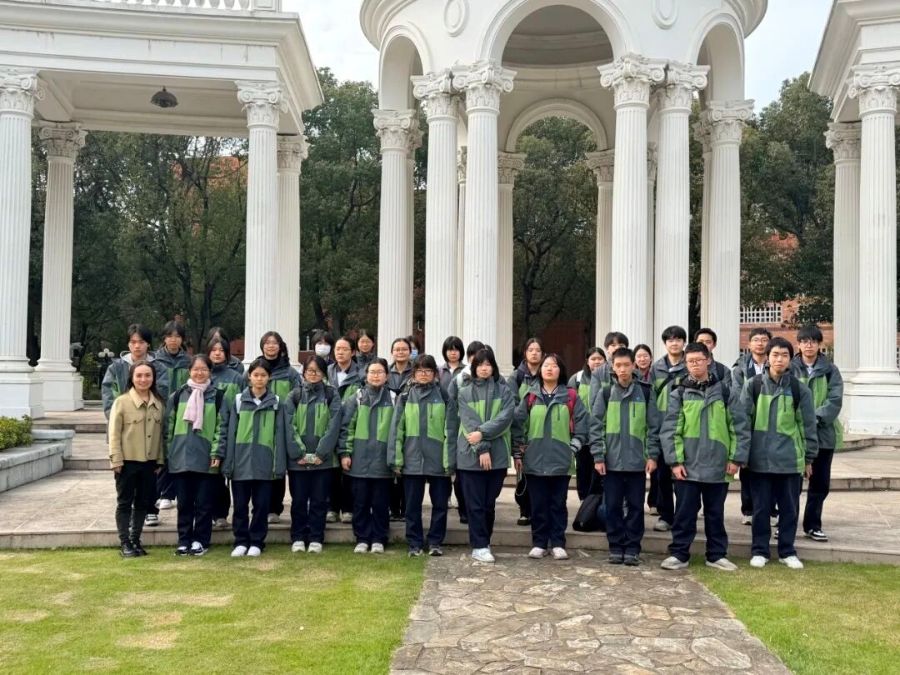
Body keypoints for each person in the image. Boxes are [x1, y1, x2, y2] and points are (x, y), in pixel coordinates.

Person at [659, 343, 744, 572]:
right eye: (690, 361)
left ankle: (716, 555)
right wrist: (675, 462)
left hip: (718, 465)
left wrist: (735, 458)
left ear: (708, 360)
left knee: (715, 514)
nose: (695, 365)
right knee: (684, 513)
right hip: (688, 466)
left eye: (698, 360)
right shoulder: (679, 393)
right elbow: (670, 430)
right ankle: (679, 553)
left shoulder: (726, 392)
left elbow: (739, 427)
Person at [739, 337, 818, 570]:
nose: (779, 359)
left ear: (790, 359)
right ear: (767, 357)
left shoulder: (799, 389)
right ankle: (759, 550)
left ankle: (787, 551)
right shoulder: (753, 385)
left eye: (784, 355)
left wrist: (808, 458)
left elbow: (807, 426)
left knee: (789, 509)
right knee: (761, 509)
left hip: (789, 460)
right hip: (759, 459)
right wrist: (742, 455)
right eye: (775, 354)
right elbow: (743, 423)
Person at [515, 354, 588, 561]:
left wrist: (572, 448)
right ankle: (539, 542)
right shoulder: (530, 396)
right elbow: (518, 425)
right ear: (540, 370)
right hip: (534, 459)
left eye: (554, 366)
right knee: (538, 504)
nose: (549, 369)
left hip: (560, 460)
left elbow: (582, 426)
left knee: (558, 503)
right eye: (546, 365)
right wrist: (519, 451)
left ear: (560, 371)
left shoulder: (571, 396)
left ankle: (557, 542)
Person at [591, 348, 660, 566]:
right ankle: (615, 545)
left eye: (626, 365)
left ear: (633, 366)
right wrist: (598, 456)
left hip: (637, 462)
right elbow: (596, 426)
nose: (622, 369)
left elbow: (653, 427)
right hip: (611, 462)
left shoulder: (646, 392)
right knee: (612, 506)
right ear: (612, 367)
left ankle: (632, 547)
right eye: (618, 365)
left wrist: (652, 455)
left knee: (636, 507)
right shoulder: (605, 393)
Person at [448, 348, 515, 563]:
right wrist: (482, 448)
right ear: (474, 367)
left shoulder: (504, 391)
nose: (484, 368)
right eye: (480, 364)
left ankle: (485, 540)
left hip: (498, 456)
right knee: (475, 504)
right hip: (470, 456)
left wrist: (483, 436)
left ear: (493, 367)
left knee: (489, 503)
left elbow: (505, 418)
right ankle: (479, 545)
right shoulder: (464, 392)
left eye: (488, 364)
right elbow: (469, 423)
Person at [217, 358, 287, 557]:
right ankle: (240, 541)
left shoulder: (276, 403)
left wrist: (278, 464)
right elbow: (230, 432)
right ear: (249, 377)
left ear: (269, 378)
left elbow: (279, 435)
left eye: (263, 375)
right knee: (240, 506)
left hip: (265, 463)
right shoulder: (238, 401)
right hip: (241, 462)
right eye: (256, 375)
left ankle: (257, 541)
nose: (259, 379)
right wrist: (229, 462)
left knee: (261, 505)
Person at [388, 354, 453, 557]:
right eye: (420, 371)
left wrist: (449, 460)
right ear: (413, 373)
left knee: (440, 505)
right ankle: (414, 543)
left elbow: (450, 430)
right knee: (412, 506)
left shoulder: (443, 396)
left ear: (435, 374)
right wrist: (396, 459)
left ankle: (435, 542)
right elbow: (397, 430)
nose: (424, 374)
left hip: (438, 460)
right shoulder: (405, 396)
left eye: (428, 370)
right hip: (412, 459)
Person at [285, 355, 344, 554]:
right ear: (303, 372)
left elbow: (334, 426)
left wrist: (321, 452)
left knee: (319, 501)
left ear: (324, 373)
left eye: (318, 371)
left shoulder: (331, 394)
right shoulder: (294, 395)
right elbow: (289, 426)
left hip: (323, 461)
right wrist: (298, 453)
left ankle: (316, 537)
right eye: (310, 370)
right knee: (299, 501)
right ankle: (298, 537)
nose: (313, 374)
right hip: (298, 462)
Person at [165, 354, 223, 557]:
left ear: (210, 372)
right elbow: (169, 427)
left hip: (206, 456)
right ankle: (184, 540)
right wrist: (170, 451)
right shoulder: (178, 395)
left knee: (204, 503)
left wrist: (217, 451)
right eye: (196, 369)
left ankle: (201, 540)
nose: (199, 373)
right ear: (189, 371)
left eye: (204, 369)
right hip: (181, 457)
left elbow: (221, 428)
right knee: (184, 503)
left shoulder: (218, 396)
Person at [791, 325, 843, 543]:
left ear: (819, 344)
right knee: (791, 485)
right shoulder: (790, 368)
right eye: (804, 341)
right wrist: (800, 419)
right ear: (799, 344)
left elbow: (835, 400)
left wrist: (813, 418)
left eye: (813, 341)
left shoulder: (830, 370)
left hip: (823, 435)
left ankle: (812, 525)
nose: (809, 345)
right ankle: (786, 525)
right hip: (794, 435)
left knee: (819, 484)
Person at [108, 361, 165, 557]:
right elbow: (114, 433)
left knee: (143, 503)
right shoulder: (122, 402)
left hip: (149, 463)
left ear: (153, 378)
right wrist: (116, 459)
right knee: (125, 502)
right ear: (131, 378)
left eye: (147, 375)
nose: (143, 379)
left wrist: (160, 460)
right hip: (126, 462)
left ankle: (135, 539)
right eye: (139, 375)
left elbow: (160, 435)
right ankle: (124, 542)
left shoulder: (158, 403)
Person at [339, 358, 395, 554]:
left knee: (380, 503)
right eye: (372, 372)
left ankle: (379, 538)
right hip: (359, 459)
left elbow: (398, 430)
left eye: (380, 372)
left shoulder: (394, 399)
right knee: (360, 502)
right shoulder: (356, 398)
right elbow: (347, 428)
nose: (376, 376)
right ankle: (362, 538)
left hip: (383, 460)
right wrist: (345, 453)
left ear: (387, 376)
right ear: (366, 375)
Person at [256, 330, 302, 525]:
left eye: (274, 343)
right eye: (267, 342)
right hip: (259, 425)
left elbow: (298, 398)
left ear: (281, 347)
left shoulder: (290, 373)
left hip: (282, 425)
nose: (271, 346)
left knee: (278, 465)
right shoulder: (256, 368)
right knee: (261, 465)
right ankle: (260, 506)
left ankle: (275, 507)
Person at [649, 325, 688, 533]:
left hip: (684, 429)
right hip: (662, 429)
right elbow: (651, 398)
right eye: (670, 340)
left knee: (683, 477)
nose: (674, 343)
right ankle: (666, 515)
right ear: (665, 343)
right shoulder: (656, 368)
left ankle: (683, 516)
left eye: (678, 339)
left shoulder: (690, 364)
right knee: (662, 476)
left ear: (684, 342)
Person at [732, 328, 772, 526]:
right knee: (747, 469)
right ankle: (748, 509)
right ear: (749, 344)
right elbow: (737, 395)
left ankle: (771, 510)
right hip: (748, 422)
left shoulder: (776, 365)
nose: (760, 343)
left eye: (764, 340)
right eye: (756, 340)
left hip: (769, 423)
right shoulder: (739, 369)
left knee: (770, 470)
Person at [153, 320, 192, 515]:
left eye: (177, 336)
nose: (173, 340)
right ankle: (162, 494)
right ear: (164, 338)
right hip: (160, 413)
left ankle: (171, 493)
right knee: (162, 453)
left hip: (183, 414)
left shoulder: (189, 362)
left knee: (178, 452)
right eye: (170, 336)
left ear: (182, 339)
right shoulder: (155, 361)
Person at [446, 339, 486, 525]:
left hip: (484, 431)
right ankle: (464, 510)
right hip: (463, 432)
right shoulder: (460, 379)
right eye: (474, 356)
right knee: (461, 477)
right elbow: (452, 405)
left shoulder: (494, 380)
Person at [207, 337, 243, 529]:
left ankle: (222, 514)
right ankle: (209, 513)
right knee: (211, 476)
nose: (217, 353)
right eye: (214, 350)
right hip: (206, 431)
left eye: (221, 350)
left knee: (225, 473)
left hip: (230, 429)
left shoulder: (236, 377)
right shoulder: (202, 374)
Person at [326, 335, 363, 525]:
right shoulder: (326, 372)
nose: (340, 352)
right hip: (329, 424)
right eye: (337, 349)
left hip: (351, 424)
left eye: (345, 349)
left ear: (353, 352)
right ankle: (332, 508)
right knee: (331, 469)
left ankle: (348, 508)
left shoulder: (361, 374)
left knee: (348, 467)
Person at [508, 337, 543, 527]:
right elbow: (512, 403)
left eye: (538, 350)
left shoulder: (547, 372)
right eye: (531, 350)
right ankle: (524, 510)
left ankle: (537, 510)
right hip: (522, 429)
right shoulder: (517, 376)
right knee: (523, 472)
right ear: (525, 353)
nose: (534, 353)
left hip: (541, 429)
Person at [568, 347, 605, 500]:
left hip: (602, 433)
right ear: (587, 361)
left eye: (600, 359)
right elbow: (569, 404)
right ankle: (585, 501)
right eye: (593, 359)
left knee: (599, 470)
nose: (597, 362)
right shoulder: (577, 379)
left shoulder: (608, 378)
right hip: (582, 433)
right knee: (583, 468)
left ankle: (596, 501)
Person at [101, 323, 156, 419]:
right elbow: (108, 393)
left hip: (152, 419)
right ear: (128, 344)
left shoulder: (158, 367)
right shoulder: (116, 367)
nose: (137, 346)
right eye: (133, 342)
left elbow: (162, 395)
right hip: (122, 418)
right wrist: (113, 417)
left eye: (141, 342)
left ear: (148, 343)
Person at [387, 337, 413, 522]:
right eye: (397, 349)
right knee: (391, 467)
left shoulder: (416, 372)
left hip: (409, 421)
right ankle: (393, 508)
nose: (401, 352)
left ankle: (405, 508)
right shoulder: (386, 372)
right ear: (392, 352)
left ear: (410, 352)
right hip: (389, 420)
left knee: (406, 467)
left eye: (404, 349)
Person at [589, 331, 630, 407]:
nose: (617, 347)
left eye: (621, 345)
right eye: (613, 345)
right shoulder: (598, 373)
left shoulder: (635, 371)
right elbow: (594, 403)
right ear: (607, 349)